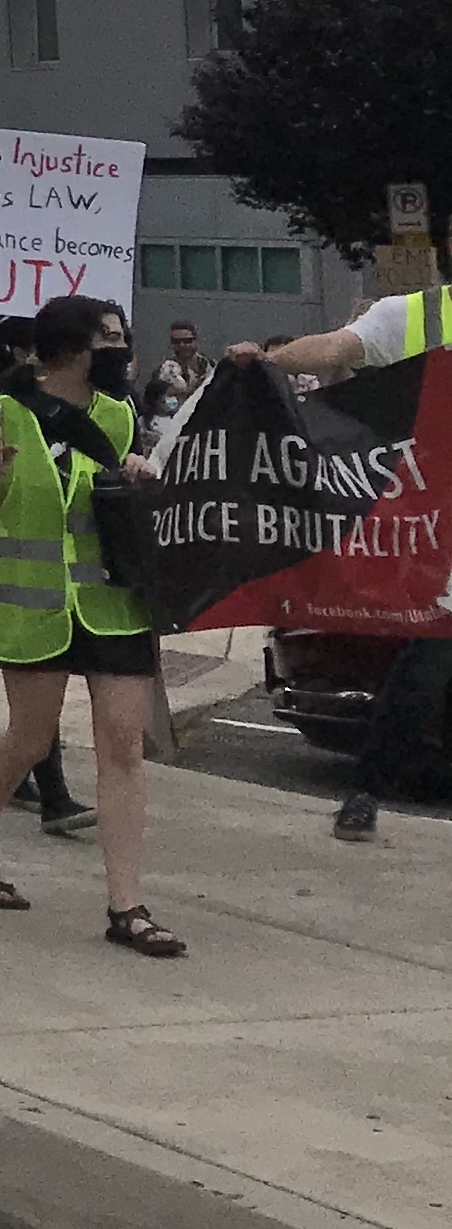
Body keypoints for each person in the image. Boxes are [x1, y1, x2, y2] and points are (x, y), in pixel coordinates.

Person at [0, 294, 181, 955]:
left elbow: (117, 501)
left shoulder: (117, 412)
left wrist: (137, 475)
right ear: (74, 347)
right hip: (35, 607)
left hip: (110, 602)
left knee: (122, 746)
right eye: (109, 337)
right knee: (27, 739)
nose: (121, 347)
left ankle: (125, 906)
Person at [230, 275, 449, 839]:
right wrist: (266, 361)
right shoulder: (423, 315)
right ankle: (367, 791)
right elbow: (333, 349)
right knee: (424, 672)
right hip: (438, 532)